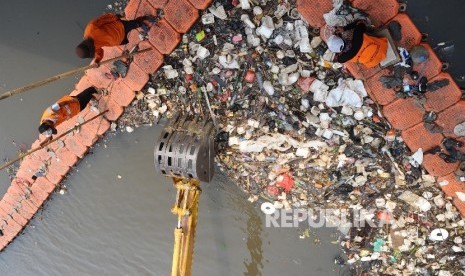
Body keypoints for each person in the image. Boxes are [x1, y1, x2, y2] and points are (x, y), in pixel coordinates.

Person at [75, 13, 153, 64]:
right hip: (117, 40)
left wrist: (114, 17)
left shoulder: (91, 27)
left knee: (134, 24)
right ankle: (138, 23)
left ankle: (141, 21)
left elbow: (104, 19)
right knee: (130, 30)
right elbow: (99, 52)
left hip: (119, 27)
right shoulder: (92, 48)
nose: (93, 49)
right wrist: (97, 60)